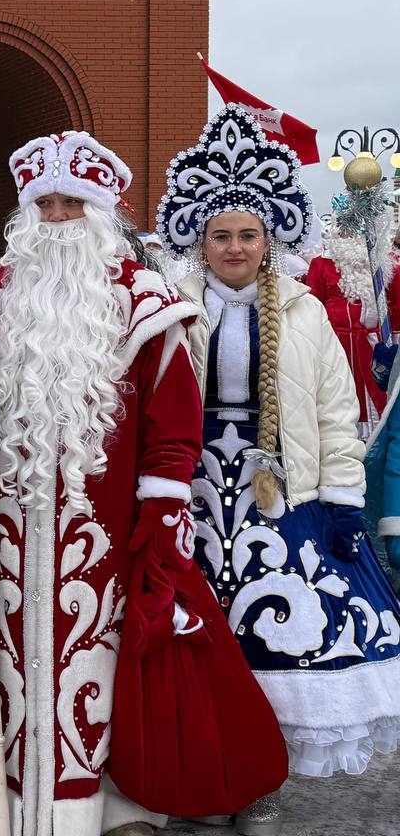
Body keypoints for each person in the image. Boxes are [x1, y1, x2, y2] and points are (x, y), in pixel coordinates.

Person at [0, 130, 286, 836]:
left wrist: (159, 518)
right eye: (47, 205)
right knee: (22, 682)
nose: (58, 218)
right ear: (27, 217)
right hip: (13, 534)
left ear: (99, 214)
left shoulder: (145, 303)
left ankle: (115, 807)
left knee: (108, 680)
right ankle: (19, 809)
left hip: (109, 540)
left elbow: (174, 424)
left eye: (72, 204)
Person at [157, 105, 400, 833]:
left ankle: (261, 793)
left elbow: (333, 413)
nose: (235, 248)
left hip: (280, 500)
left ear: (269, 239)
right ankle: (206, 787)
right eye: (222, 235)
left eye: (248, 235)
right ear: (201, 240)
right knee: (201, 658)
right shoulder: (170, 309)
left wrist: (342, 501)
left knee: (275, 653)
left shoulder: (303, 313)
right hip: (195, 501)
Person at [304, 218, 394, 435]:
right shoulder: (321, 263)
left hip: (374, 345)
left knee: (379, 393)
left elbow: (395, 307)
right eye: (344, 231)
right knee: (337, 393)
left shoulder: (384, 262)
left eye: (355, 230)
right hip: (336, 345)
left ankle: (375, 436)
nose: (349, 236)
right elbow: (312, 305)